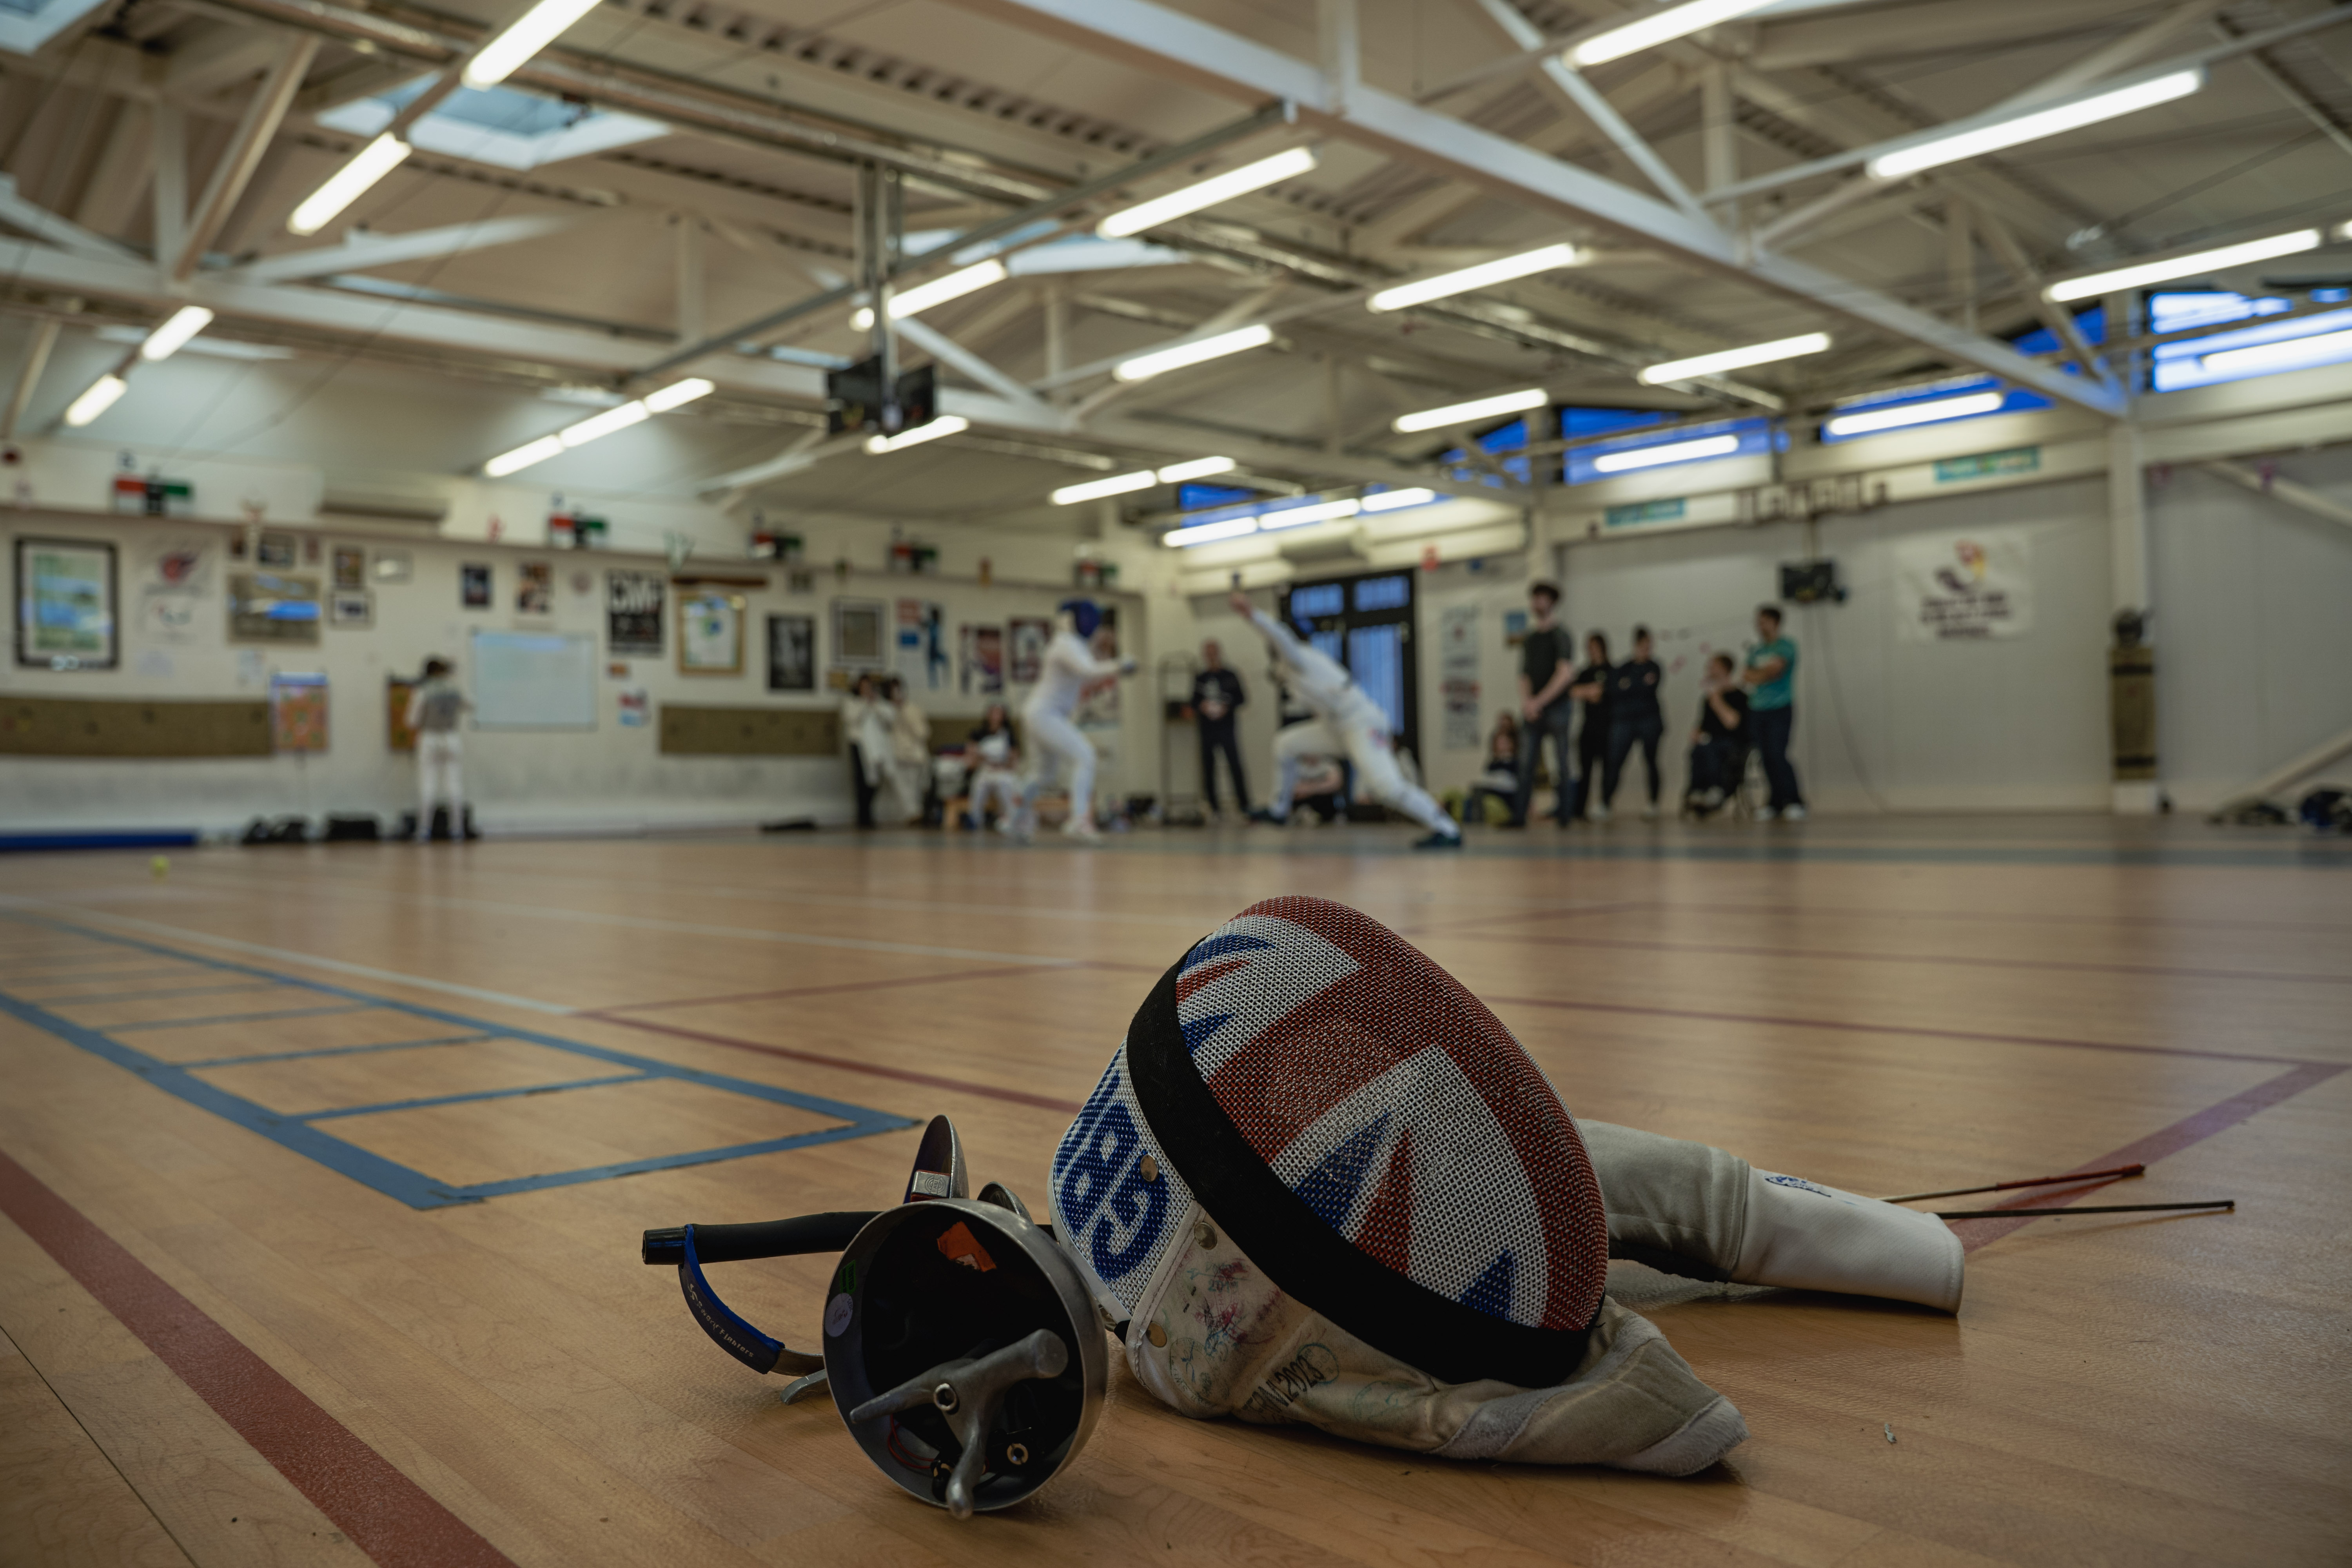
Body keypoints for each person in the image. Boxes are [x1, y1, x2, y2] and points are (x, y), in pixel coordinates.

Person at [1230, 590, 1461, 849]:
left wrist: (1252, 615)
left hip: (1361, 723)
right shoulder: (1295, 672)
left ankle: (1447, 829)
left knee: (1386, 788)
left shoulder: (1300, 658)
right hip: (1335, 727)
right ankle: (1279, 810)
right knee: (1285, 744)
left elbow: (1281, 639)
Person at [1012, 599, 1136, 841]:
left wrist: (1118, 668)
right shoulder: (1065, 644)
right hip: (1045, 714)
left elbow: (1088, 675)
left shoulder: (1075, 646)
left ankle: (1013, 819)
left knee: (1043, 775)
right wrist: (1119, 665)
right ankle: (1079, 821)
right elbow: (1087, 671)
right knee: (1085, 756)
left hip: (1041, 714)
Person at [1513, 581, 1577, 827]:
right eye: (1535, 598)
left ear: (1552, 602)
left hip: (1558, 707)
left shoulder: (1561, 635)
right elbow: (1524, 675)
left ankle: (1565, 815)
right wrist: (1528, 703)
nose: (1537, 603)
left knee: (1562, 761)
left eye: (1542, 598)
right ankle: (1520, 816)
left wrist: (1539, 701)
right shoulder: (1530, 639)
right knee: (1526, 763)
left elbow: (1565, 674)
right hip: (1534, 709)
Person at [1742, 604, 1806, 821]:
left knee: (1779, 754)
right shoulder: (1756, 650)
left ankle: (1795, 801)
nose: (1760, 626)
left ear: (1775, 623)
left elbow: (1775, 670)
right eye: (1758, 622)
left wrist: (1761, 674)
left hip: (1780, 709)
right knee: (1766, 757)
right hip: (1757, 710)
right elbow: (1747, 676)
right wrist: (1763, 674)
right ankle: (1775, 803)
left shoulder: (1786, 646)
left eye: (1764, 622)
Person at [404, 657, 471, 841]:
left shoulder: (423, 691)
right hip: (452, 737)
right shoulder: (454, 689)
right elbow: (470, 705)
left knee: (428, 784)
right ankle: (457, 830)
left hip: (430, 737)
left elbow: (412, 721)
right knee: (454, 784)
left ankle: (424, 831)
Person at [1602, 625, 1665, 820]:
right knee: (1615, 761)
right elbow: (1613, 690)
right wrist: (1637, 684)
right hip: (1625, 722)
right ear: (1636, 645)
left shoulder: (1654, 667)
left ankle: (1653, 803)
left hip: (1649, 721)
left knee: (1651, 761)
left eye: (1650, 646)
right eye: (1644, 646)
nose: (1647, 650)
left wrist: (1628, 685)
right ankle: (1605, 804)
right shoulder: (1623, 668)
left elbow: (1647, 689)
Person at [1685, 653, 1749, 818]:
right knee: (1699, 749)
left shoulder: (1740, 697)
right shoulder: (1708, 700)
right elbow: (1702, 725)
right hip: (1710, 743)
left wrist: (1717, 700)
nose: (1709, 670)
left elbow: (1732, 723)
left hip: (1733, 744)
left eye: (1713, 666)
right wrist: (1696, 733)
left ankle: (1716, 790)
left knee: (1712, 749)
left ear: (1724, 669)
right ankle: (1698, 791)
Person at [1191, 639, 1250, 818]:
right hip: (1207, 728)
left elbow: (1242, 699)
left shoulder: (1230, 675)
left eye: (1213, 652)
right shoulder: (1200, 678)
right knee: (1208, 766)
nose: (1211, 656)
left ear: (1219, 653)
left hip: (1226, 727)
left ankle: (1244, 804)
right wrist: (1203, 707)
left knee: (1235, 764)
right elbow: (1193, 701)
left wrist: (1226, 707)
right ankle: (1213, 806)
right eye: (1208, 653)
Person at [1566, 632, 1613, 822]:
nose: (1592, 651)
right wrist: (1589, 691)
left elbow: (1604, 692)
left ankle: (1604, 805)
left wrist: (1589, 691)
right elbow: (1572, 692)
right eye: (1589, 647)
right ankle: (1580, 809)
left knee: (1607, 770)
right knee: (1584, 770)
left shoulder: (1612, 671)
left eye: (1595, 647)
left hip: (1607, 728)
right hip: (1588, 727)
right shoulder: (1585, 673)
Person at [842, 673, 889, 829]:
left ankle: (869, 811)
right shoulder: (851, 702)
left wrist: (874, 704)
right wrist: (864, 703)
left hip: (876, 746)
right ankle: (863, 816)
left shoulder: (877, 701)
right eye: (863, 686)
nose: (866, 689)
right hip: (859, 745)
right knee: (861, 781)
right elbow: (851, 718)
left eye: (868, 686)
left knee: (875, 780)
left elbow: (888, 719)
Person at [1459, 711, 1522, 828]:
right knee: (1471, 795)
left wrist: (1493, 782)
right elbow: (1486, 777)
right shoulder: (1494, 762)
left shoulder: (1515, 762)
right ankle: (1469, 823)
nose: (1502, 745)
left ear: (1512, 744)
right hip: (1492, 790)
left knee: (1480, 794)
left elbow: (1513, 784)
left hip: (1506, 795)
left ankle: (1476, 823)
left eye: (1505, 743)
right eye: (1500, 743)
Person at [965, 703, 1020, 829]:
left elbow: (1014, 758)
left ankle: (1010, 819)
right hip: (985, 770)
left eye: (999, 714)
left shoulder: (1009, 735)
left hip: (1002, 770)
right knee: (978, 787)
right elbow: (971, 757)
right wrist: (979, 758)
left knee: (1006, 785)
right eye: (993, 713)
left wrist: (1005, 765)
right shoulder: (978, 734)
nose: (995, 717)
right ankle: (975, 819)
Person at [884, 675, 930, 824]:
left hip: (914, 755)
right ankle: (911, 815)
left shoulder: (913, 709)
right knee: (902, 789)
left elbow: (923, 733)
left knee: (916, 788)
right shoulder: (886, 710)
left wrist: (903, 711)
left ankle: (918, 815)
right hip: (896, 755)